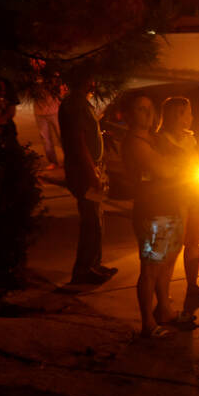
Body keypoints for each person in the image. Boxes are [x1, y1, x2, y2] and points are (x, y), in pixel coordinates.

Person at [123, 95, 185, 339]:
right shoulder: (135, 143)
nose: (148, 115)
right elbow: (166, 169)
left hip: (168, 206)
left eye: (150, 109)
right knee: (151, 267)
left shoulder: (153, 138)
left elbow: (182, 157)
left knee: (167, 261)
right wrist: (179, 165)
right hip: (151, 212)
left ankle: (165, 310)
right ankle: (147, 322)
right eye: (141, 110)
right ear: (129, 115)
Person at [156, 96, 199, 321]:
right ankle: (163, 296)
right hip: (177, 197)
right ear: (177, 115)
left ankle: (192, 285)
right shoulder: (163, 141)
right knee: (174, 247)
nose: (191, 117)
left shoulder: (190, 139)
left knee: (193, 241)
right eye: (188, 113)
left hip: (195, 193)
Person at [59, 72, 116, 285]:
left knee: (96, 218)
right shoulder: (75, 105)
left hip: (91, 169)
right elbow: (79, 141)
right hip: (84, 172)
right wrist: (92, 173)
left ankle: (94, 264)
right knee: (91, 221)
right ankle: (84, 269)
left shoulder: (82, 104)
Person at [31, 69, 65, 169]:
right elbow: (31, 93)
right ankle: (53, 162)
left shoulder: (52, 74)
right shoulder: (31, 76)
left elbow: (60, 91)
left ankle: (69, 159)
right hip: (39, 112)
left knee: (61, 136)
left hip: (54, 110)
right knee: (46, 139)